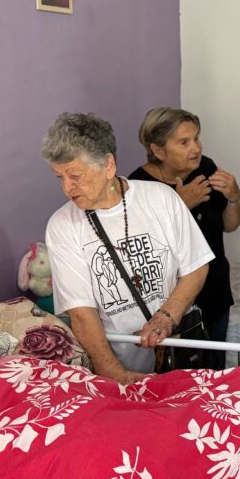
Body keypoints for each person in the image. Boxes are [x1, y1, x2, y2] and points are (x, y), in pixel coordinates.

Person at [42, 112, 213, 383]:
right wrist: (112, 371)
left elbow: (196, 267)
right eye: (58, 177)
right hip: (116, 365)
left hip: (177, 354)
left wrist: (165, 317)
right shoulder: (62, 225)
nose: (66, 188)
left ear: (108, 165)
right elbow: (81, 312)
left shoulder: (161, 199)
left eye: (75, 176)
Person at [129, 107, 240, 369]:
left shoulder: (206, 168)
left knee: (214, 373)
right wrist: (179, 206)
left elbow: (230, 225)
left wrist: (235, 197)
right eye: (184, 142)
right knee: (177, 377)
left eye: (196, 138)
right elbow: (139, 249)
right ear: (158, 151)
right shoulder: (138, 187)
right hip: (169, 305)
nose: (196, 148)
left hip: (214, 291)